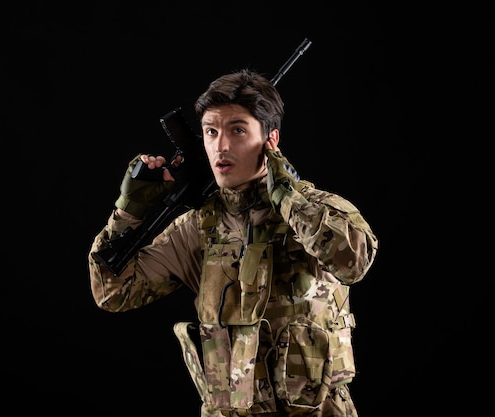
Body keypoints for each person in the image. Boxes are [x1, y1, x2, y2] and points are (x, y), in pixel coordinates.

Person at [88, 69, 378, 417]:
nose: (221, 145)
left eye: (237, 130)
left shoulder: (318, 211)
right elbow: (112, 292)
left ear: (271, 140)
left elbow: (353, 262)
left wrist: (286, 196)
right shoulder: (198, 227)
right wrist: (128, 213)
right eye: (211, 131)